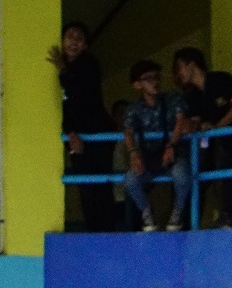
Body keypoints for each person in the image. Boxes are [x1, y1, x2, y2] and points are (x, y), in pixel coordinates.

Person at [50, 21, 118, 233]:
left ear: (86, 45)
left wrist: (62, 69)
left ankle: (106, 233)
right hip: (77, 137)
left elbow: (80, 95)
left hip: (97, 135)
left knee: (100, 185)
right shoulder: (66, 69)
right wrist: (70, 133)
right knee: (85, 188)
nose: (74, 41)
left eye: (79, 38)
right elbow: (67, 106)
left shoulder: (89, 65)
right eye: (70, 36)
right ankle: (93, 231)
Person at [174, 47, 232, 228]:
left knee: (231, 170)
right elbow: (194, 122)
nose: (177, 74)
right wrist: (190, 125)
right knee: (198, 174)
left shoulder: (220, 79)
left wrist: (216, 128)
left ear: (191, 65)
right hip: (215, 144)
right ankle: (188, 225)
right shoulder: (193, 96)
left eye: (179, 68)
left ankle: (231, 217)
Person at [122, 60, 191, 232]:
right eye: (148, 78)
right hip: (149, 156)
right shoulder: (133, 109)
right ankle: (147, 213)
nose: (155, 82)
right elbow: (128, 132)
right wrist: (133, 153)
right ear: (137, 85)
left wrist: (171, 145)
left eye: (157, 77)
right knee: (130, 180)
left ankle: (177, 213)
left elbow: (181, 121)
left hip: (174, 154)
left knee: (182, 176)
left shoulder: (173, 98)